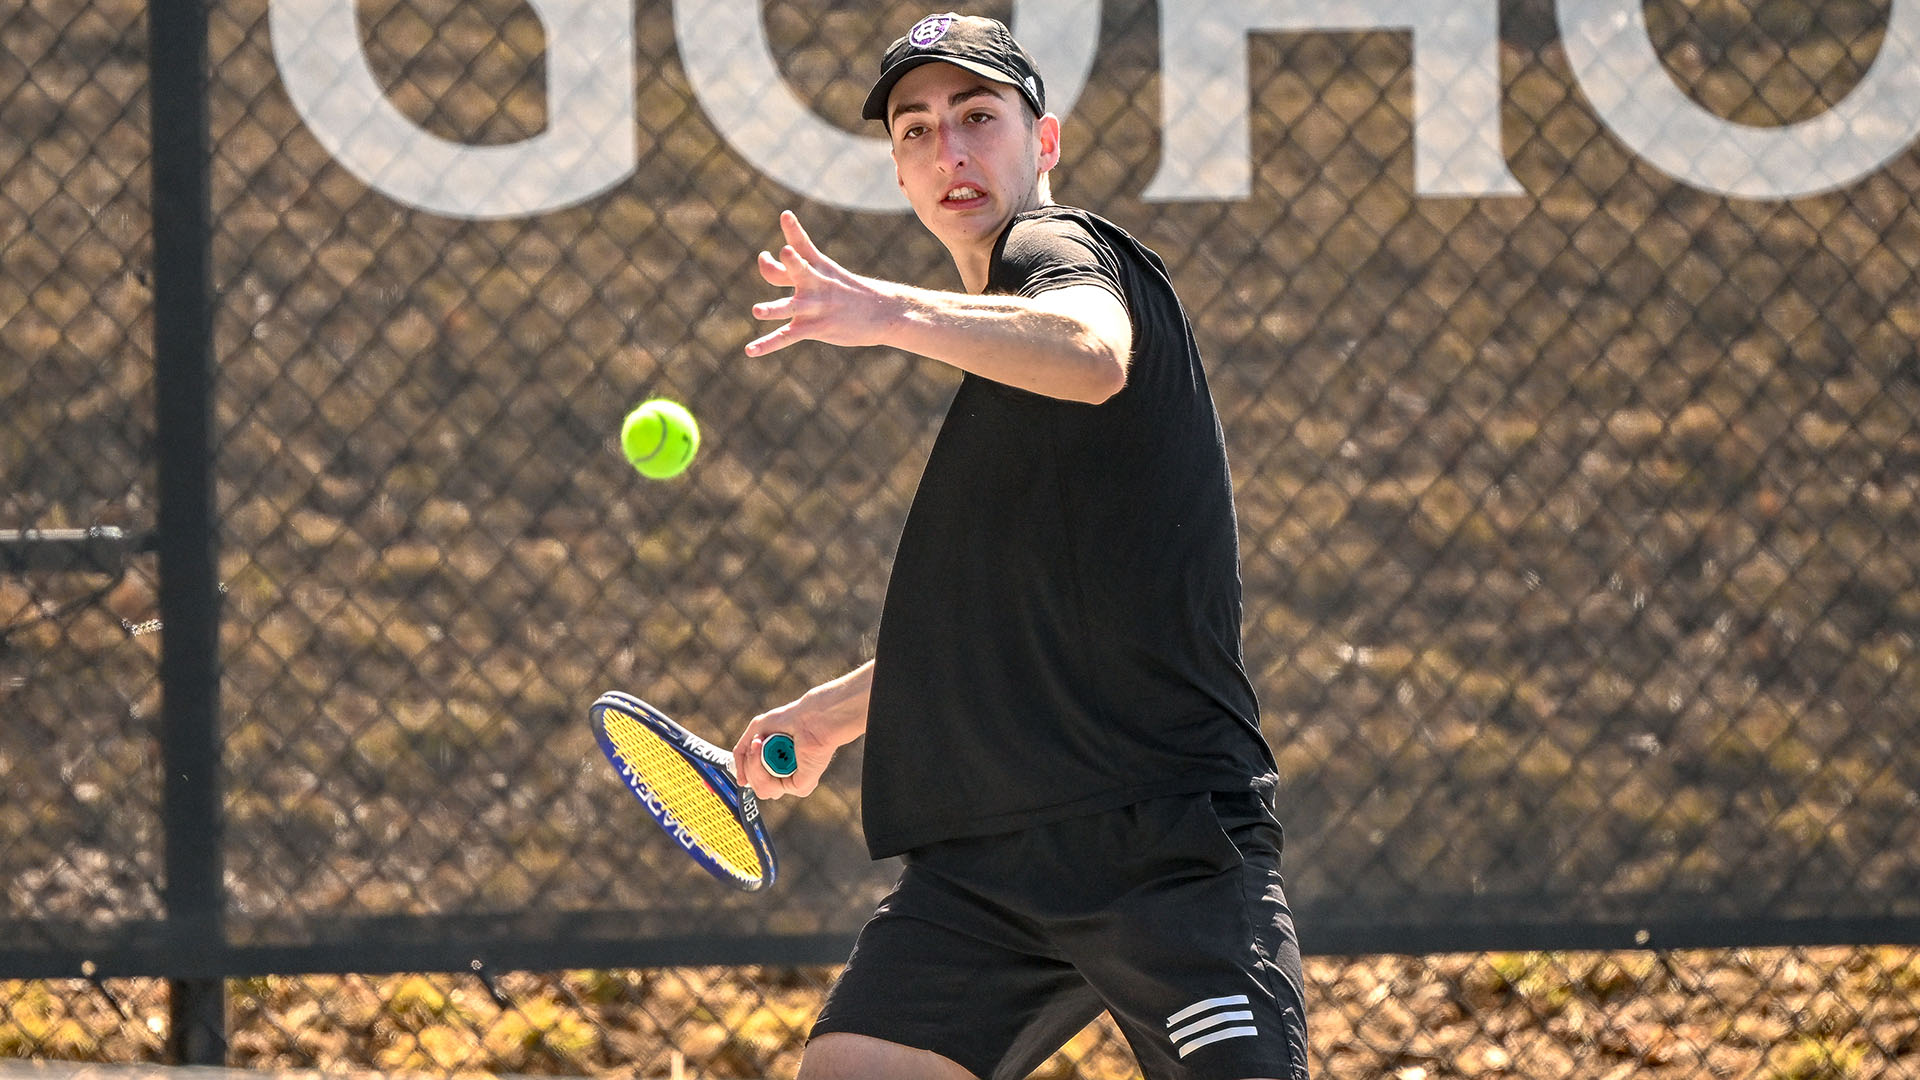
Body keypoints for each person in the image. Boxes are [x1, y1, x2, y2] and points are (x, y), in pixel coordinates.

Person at [730, 13, 1309, 1080]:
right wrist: (830, 715)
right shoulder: (999, 367)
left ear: (1044, 142)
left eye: (978, 117)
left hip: (1161, 843)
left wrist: (885, 309)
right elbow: (1007, 625)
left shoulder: (1058, 250)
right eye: (916, 130)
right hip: (993, 867)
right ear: (899, 170)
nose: (948, 150)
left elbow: (1092, 349)